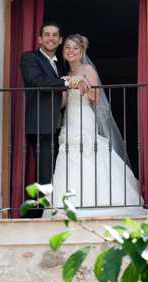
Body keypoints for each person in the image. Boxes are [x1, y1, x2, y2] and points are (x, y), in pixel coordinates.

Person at [49, 34, 141, 217]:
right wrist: (65, 87)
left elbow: (96, 98)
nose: (71, 51)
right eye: (67, 47)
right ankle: (67, 202)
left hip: (84, 117)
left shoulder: (87, 69)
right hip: (70, 119)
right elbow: (63, 104)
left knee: (88, 153)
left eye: (75, 48)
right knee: (69, 154)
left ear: (82, 51)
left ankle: (95, 200)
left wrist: (82, 86)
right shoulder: (65, 74)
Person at [20, 23, 88, 217]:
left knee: (55, 171)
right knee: (44, 172)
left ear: (59, 40)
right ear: (40, 39)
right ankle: (38, 214)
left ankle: (50, 209)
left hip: (61, 125)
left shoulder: (60, 64)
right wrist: (66, 82)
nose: (50, 38)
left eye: (55, 35)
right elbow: (36, 81)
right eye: (46, 35)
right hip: (41, 124)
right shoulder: (29, 58)